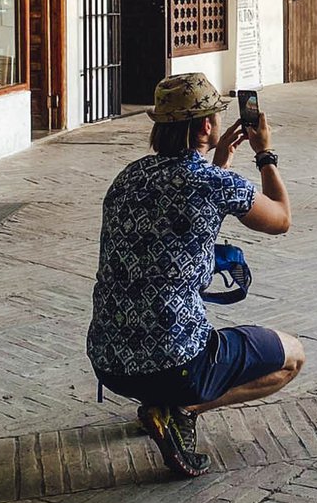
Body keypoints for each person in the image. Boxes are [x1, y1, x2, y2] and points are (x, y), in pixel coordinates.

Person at [87, 73, 304, 478]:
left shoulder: (127, 178)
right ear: (206, 125)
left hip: (109, 361)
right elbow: (281, 219)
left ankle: (165, 404)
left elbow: (180, 218)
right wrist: (265, 153)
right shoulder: (212, 183)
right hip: (174, 361)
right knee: (292, 356)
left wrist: (218, 162)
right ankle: (181, 410)